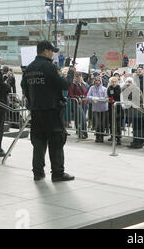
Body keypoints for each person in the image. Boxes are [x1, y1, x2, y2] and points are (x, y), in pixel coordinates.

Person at [22, 40, 75, 182]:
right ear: (45, 51)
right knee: (56, 142)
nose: (53, 54)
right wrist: (71, 74)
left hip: (36, 111)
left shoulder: (29, 68)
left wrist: (33, 102)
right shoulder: (49, 67)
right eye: (52, 51)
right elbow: (64, 85)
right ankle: (57, 173)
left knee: (38, 142)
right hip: (51, 111)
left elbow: (24, 87)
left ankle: (38, 172)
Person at [87, 76, 109, 143]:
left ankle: (101, 136)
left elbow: (106, 98)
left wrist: (98, 99)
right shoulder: (91, 88)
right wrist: (92, 98)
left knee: (102, 123)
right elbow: (87, 97)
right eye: (96, 80)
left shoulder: (104, 89)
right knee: (97, 123)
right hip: (95, 109)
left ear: (101, 81)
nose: (97, 82)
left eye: (98, 80)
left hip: (103, 109)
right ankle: (97, 136)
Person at [68, 72, 89, 139]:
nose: (78, 78)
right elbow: (70, 95)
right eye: (77, 76)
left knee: (81, 118)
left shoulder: (83, 84)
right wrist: (77, 97)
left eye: (79, 76)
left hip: (84, 103)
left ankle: (81, 133)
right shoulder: (73, 85)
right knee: (82, 118)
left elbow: (86, 93)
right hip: (76, 104)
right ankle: (83, 133)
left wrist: (85, 98)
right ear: (75, 77)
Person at [107, 77, 122, 145]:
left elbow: (119, 96)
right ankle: (112, 135)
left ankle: (118, 137)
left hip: (118, 107)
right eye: (112, 81)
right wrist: (111, 99)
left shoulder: (119, 88)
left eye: (115, 81)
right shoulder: (109, 88)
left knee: (118, 123)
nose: (113, 83)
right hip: (111, 106)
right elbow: (109, 95)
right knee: (111, 122)